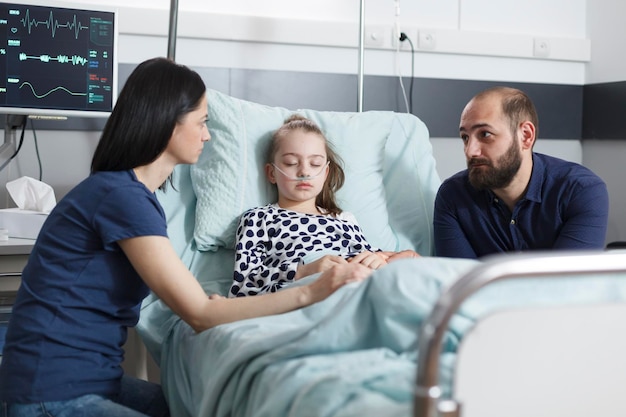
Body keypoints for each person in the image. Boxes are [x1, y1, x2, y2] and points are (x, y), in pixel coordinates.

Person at [0, 58, 373, 417]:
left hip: (96, 379)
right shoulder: (120, 197)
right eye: (202, 122)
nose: (208, 135)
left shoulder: (137, 198)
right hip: (49, 393)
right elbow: (200, 314)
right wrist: (313, 288)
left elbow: (199, 304)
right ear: (167, 124)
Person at [229, 115, 419, 298]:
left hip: (362, 283)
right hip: (309, 289)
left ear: (325, 173)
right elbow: (243, 287)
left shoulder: (344, 220)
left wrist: (379, 260)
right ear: (271, 173)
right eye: (291, 163)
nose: (304, 171)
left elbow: (369, 254)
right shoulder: (258, 219)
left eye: (315, 163)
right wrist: (303, 271)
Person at [433, 86, 609, 259]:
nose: (470, 151)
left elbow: (567, 284)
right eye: (465, 137)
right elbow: (459, 283)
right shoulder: (452, 197)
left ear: (525, 136)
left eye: (485, 134)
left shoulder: (581, 192)